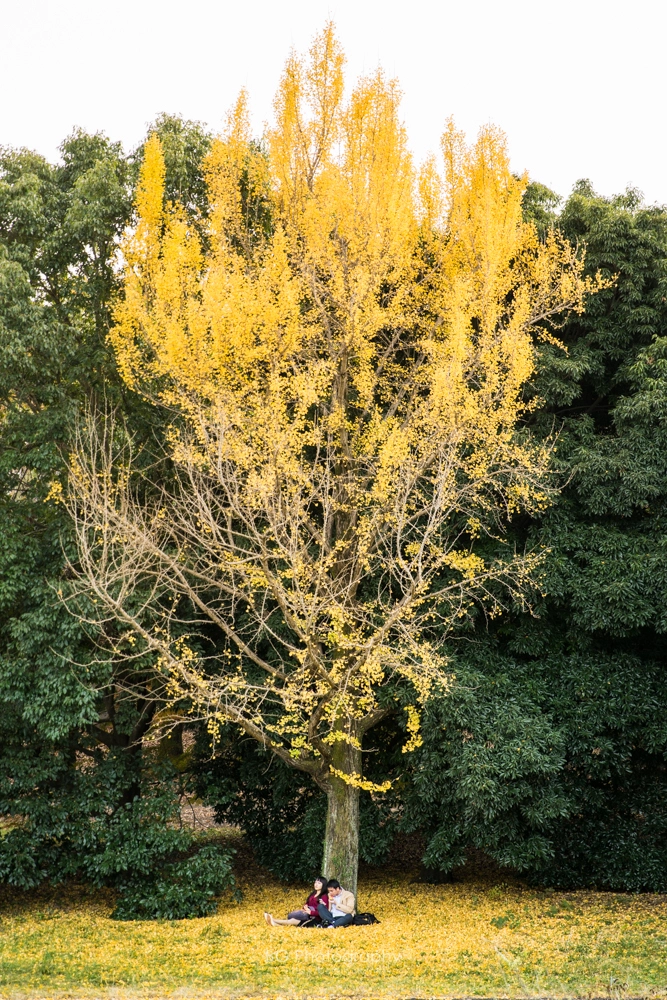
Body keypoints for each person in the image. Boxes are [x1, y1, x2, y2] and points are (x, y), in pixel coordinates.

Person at [264, 876, 328, 926]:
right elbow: (307, 903)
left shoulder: (324, 896)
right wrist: (304, 908)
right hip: (307, 913)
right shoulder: (313, 894)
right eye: (315, 882)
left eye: (319, 883)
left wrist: (310, 912)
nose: (316, 884)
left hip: (314, 918)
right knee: (291, 917)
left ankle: (274, 920)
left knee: (293, 920)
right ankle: (274, 922)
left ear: (323, 885)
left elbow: (324, 911)